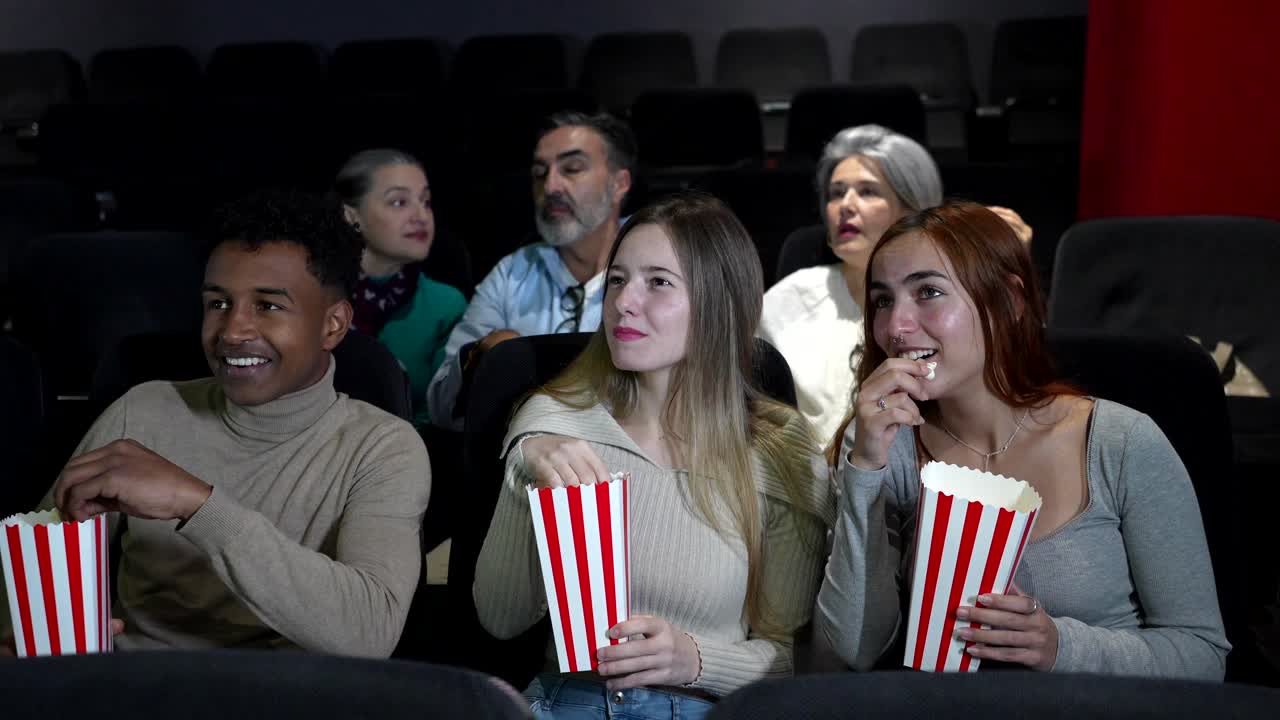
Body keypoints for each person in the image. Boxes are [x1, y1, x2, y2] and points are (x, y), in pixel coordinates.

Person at [0, 190, 431, 657]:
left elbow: (370, 633)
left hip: (293, 699)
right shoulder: (142, 411)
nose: (232, 331)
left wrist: (198, 505)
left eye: (268, 306)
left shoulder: (383, 447)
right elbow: (29, 582)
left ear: (333, 325)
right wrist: (35, 632)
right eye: (218, 304)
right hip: (135, 691)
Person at [814, 201, 1229, 680]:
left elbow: (1202, 656)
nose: (896, 328)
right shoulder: (889, 446)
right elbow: (856, 651)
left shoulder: (1122, 443)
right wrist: (865, 468)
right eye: (883, 300)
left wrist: (1060, 647)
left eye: (927, 291)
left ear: (1009, 302)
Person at [473, 194, 834, 718]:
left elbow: (791, 658)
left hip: (704, 707)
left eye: (658, 282)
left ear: (718, 302)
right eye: (617, 280)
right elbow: (500, 619)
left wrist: (693, 660)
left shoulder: (780, 452)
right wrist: (522, 479)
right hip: (568, 702)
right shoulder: (552, 422)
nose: (624, 302)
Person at [759, 125, 1031, 446]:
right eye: (836, 193)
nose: (846, 205)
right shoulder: (787, 298)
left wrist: (999, 268)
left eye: (868, 191)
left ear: (913, 209)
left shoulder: (956, 296)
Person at [426, 111, 635, 430]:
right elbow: (442, 406)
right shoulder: (513, 273)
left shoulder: (659, 262)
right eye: (539, 173)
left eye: (572, 169)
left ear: (619, 183)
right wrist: (484, 357)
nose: (550, 186)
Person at [335, 148, 467, 429]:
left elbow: (441, 415)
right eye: (399, 202)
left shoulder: (446, 305)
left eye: (426, 202)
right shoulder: (315, 298)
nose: (421, 215)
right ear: (351, 216)